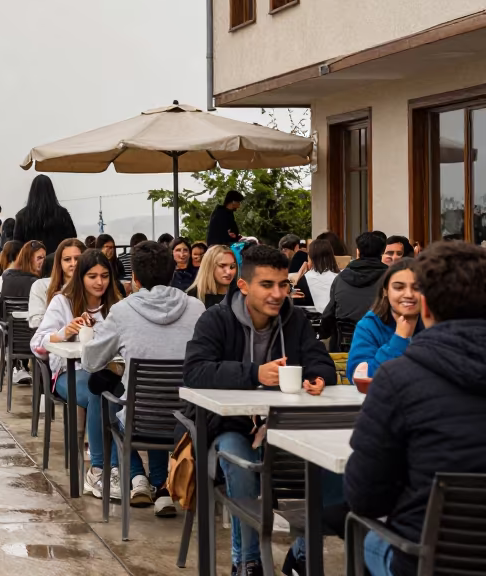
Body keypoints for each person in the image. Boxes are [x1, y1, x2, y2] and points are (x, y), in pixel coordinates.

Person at [183, 245, 337, 576]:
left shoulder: (294, 319)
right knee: (242, 465)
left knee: (334, 463)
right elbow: (195, 371)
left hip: (284, 427)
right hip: (229, 426)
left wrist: (319, 378)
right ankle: (247, 561)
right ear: (243, 286)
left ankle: (302, 554)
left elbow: (320, 361)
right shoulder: (216, 319)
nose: (278, 293)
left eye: (284, 285)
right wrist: (254, 373)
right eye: (267, 285)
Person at [345, 241, 486, 576]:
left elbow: (364, 498)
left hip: (427, 557)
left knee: (364, 532)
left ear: (424, 308)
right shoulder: (387, 350)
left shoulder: (399, 379)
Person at [84, 241, 206, 515]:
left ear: (135, 279)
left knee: (108, 398)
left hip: (141, 420)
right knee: (164, 403)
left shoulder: (122, 311)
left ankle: (137, 476)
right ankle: (162, 485)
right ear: (173, 274)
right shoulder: (197, 309)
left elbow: (91, 361)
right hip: (188, 421)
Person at [31, 249, 121, 497]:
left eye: (104, 275)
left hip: (110, 371)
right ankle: (100, 469)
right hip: (69, 373)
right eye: (92, 276)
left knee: (117, 392)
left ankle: (122, 469)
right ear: (81, 277)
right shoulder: (63, 302)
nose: (99, 282)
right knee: (98, 391)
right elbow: (36, 343)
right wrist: (63, 332)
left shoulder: (116, 306)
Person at [345, 258, 421, 381]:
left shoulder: (436, 323)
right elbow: (360, 377)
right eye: (399, 287)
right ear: (385, 291)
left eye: (417, 287)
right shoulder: (369, 326)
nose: (409, 294)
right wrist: (399, 338)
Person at [320, 231, 388, 345]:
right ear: (382, 251)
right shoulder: (391, 279)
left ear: (358, 251)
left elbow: (329, 314)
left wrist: (323, 335)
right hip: (382, 340)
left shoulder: (340, 278)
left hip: (346, 341)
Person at [1, 239, 46, 386]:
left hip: (15, 341)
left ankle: (17, 366)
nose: (43, 262)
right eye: (39, 258)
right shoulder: (38, 284)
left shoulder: (6, 277)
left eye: (44, 258)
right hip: (38, 343)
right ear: (28, 258)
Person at [12, 174, 78, 254]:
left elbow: (16, 243)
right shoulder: (62, 213)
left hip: (30, 261)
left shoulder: (22, 215)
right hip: (56, 261)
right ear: (51, 191)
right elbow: (72, 238)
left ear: (32, 192)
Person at [29, 238, 85, 328]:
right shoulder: (41, 286)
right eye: (67, 259)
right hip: (52, 341)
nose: (73, 263)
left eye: (77, 259)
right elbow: (36, 323)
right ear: (59, 262)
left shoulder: (94, 286)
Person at [299, 238, 340, 309]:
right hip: (337, 317)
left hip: (314, 317)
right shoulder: (341, 277)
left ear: (311, 257)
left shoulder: (304, 279)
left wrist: (300, 275)